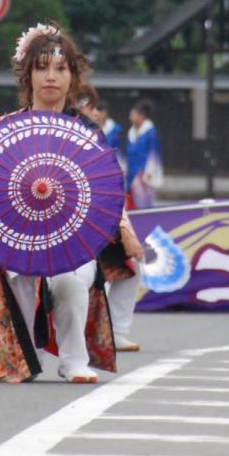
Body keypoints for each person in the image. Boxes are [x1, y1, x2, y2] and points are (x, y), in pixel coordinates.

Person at [0, 23, 143, 383]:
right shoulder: (6, 130)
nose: (51, 77)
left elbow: (108, 188)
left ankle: (73, 360)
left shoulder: (87, 134)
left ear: (73, 77)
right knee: (20, 333)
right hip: (20, 243)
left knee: (68, 278)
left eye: (60, 69)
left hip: (72, 238)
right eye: (42, 68)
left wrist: (124, 228)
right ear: (28, 75)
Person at [77, 86, 141, 352]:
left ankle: (115, 331)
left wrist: (123, 227)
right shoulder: (35, 124)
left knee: (131, 266)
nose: (95, 112)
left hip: (94, 222)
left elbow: (108, 181)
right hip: (56, 228)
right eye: (89, 106)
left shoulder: (93, 133)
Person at [126, 97, 163, 209]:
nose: (131, 117)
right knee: (130, 202)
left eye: (133, 114)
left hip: (144, 173)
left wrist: (149, 171)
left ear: (141, 116)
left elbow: (154, 154)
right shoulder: (131, 132)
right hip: (131, 172)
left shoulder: (150, 132)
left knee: (143, 203)